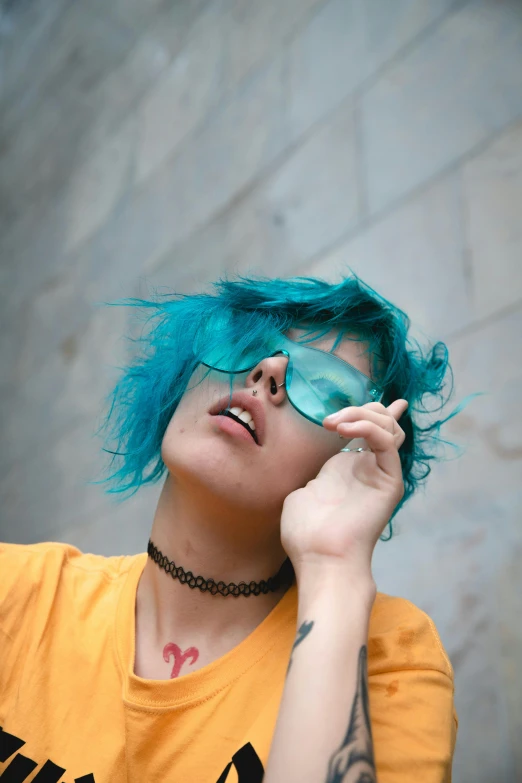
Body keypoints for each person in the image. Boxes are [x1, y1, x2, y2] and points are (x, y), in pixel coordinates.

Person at [0, 272, 472, 783]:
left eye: (323, 386)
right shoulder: (19, 590)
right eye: (244, 340)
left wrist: (334, 566)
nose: (266, 369)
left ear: (354, 458)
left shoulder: (389, 655)